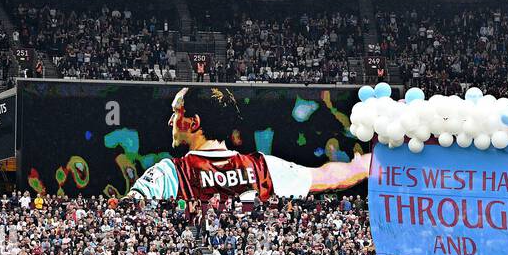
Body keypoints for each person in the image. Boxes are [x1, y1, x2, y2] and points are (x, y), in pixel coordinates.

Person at [124, 87, 370, 205]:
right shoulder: (263, 167)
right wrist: (374, 161)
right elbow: (332, 176)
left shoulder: (170, 173)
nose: (170, 121)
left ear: (194, 122)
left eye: (175, 113)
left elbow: (128, 211)